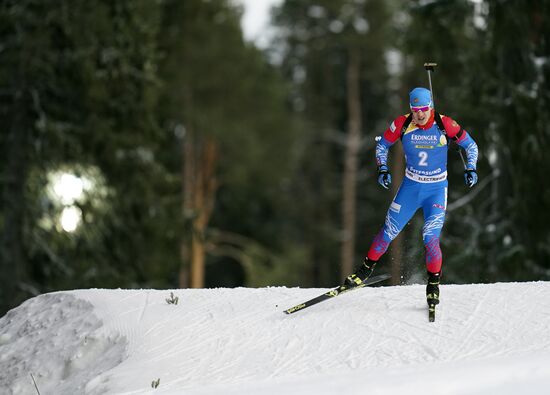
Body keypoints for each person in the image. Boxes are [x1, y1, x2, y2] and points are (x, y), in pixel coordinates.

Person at [344, 87, 479, 308]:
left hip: (435, 190)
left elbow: (470, 145)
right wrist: (382, 169)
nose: (420, 115)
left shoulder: (445, 124)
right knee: (387, 231)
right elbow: (382, 145)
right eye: (415, 110)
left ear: (431, 107)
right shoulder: (402, 124)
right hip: (411, 188)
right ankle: (364, 271)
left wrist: (471, 168)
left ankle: (433, 285)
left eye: (424, 109)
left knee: (430, 238)